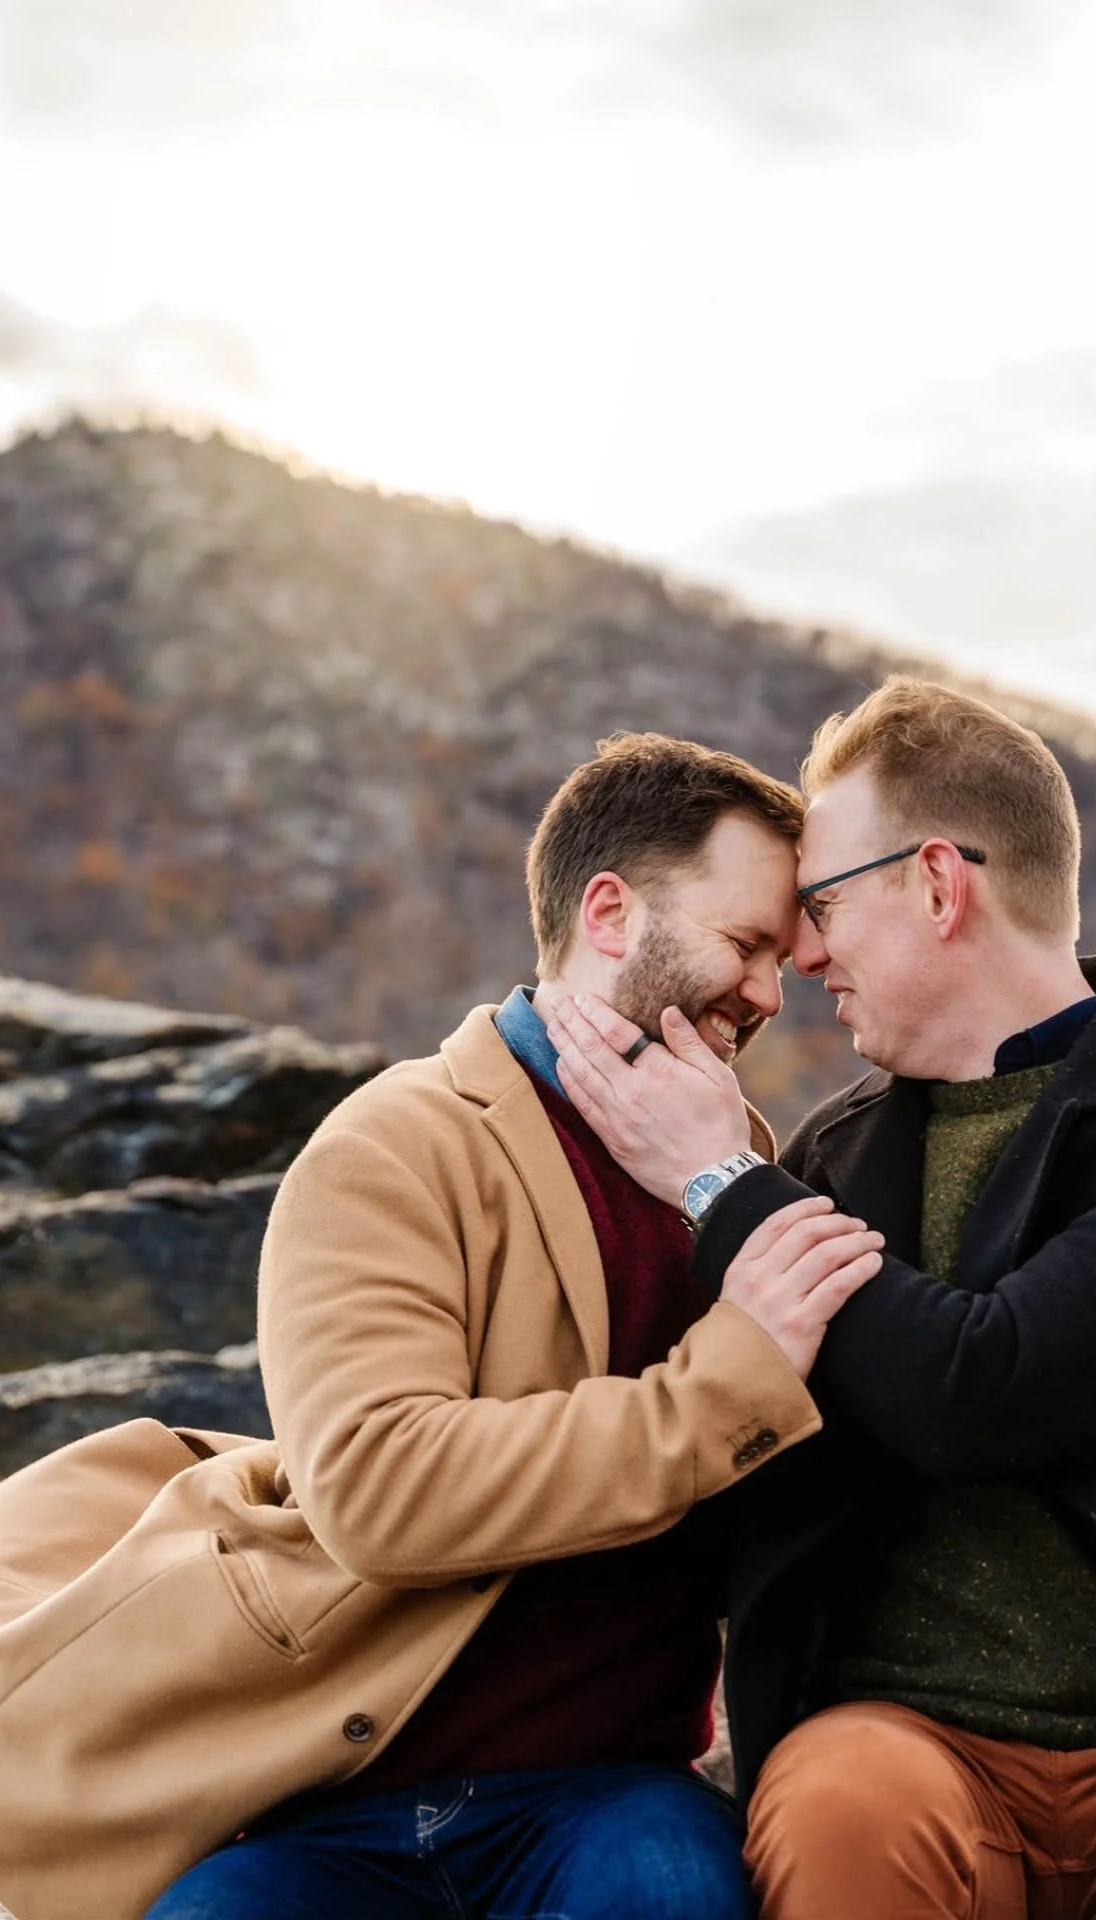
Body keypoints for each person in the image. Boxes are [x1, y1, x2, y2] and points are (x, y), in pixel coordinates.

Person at [549, 679, 1096, 1919]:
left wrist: (719, 1181)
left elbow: (994, 1391)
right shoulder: (828, 1160)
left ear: (937, 884)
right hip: (907, 1745)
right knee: (836, 1812)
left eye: (820, 908)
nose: (805, 955)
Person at [143, 733, 883, 1920]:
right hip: (335, 1805)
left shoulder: (736, 1168)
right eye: (746, 944)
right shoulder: (396, 1145)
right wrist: (718, 1393)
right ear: (608, 910)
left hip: (608, 1797)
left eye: (780, 964)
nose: (765, 992)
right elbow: (381, 1487)